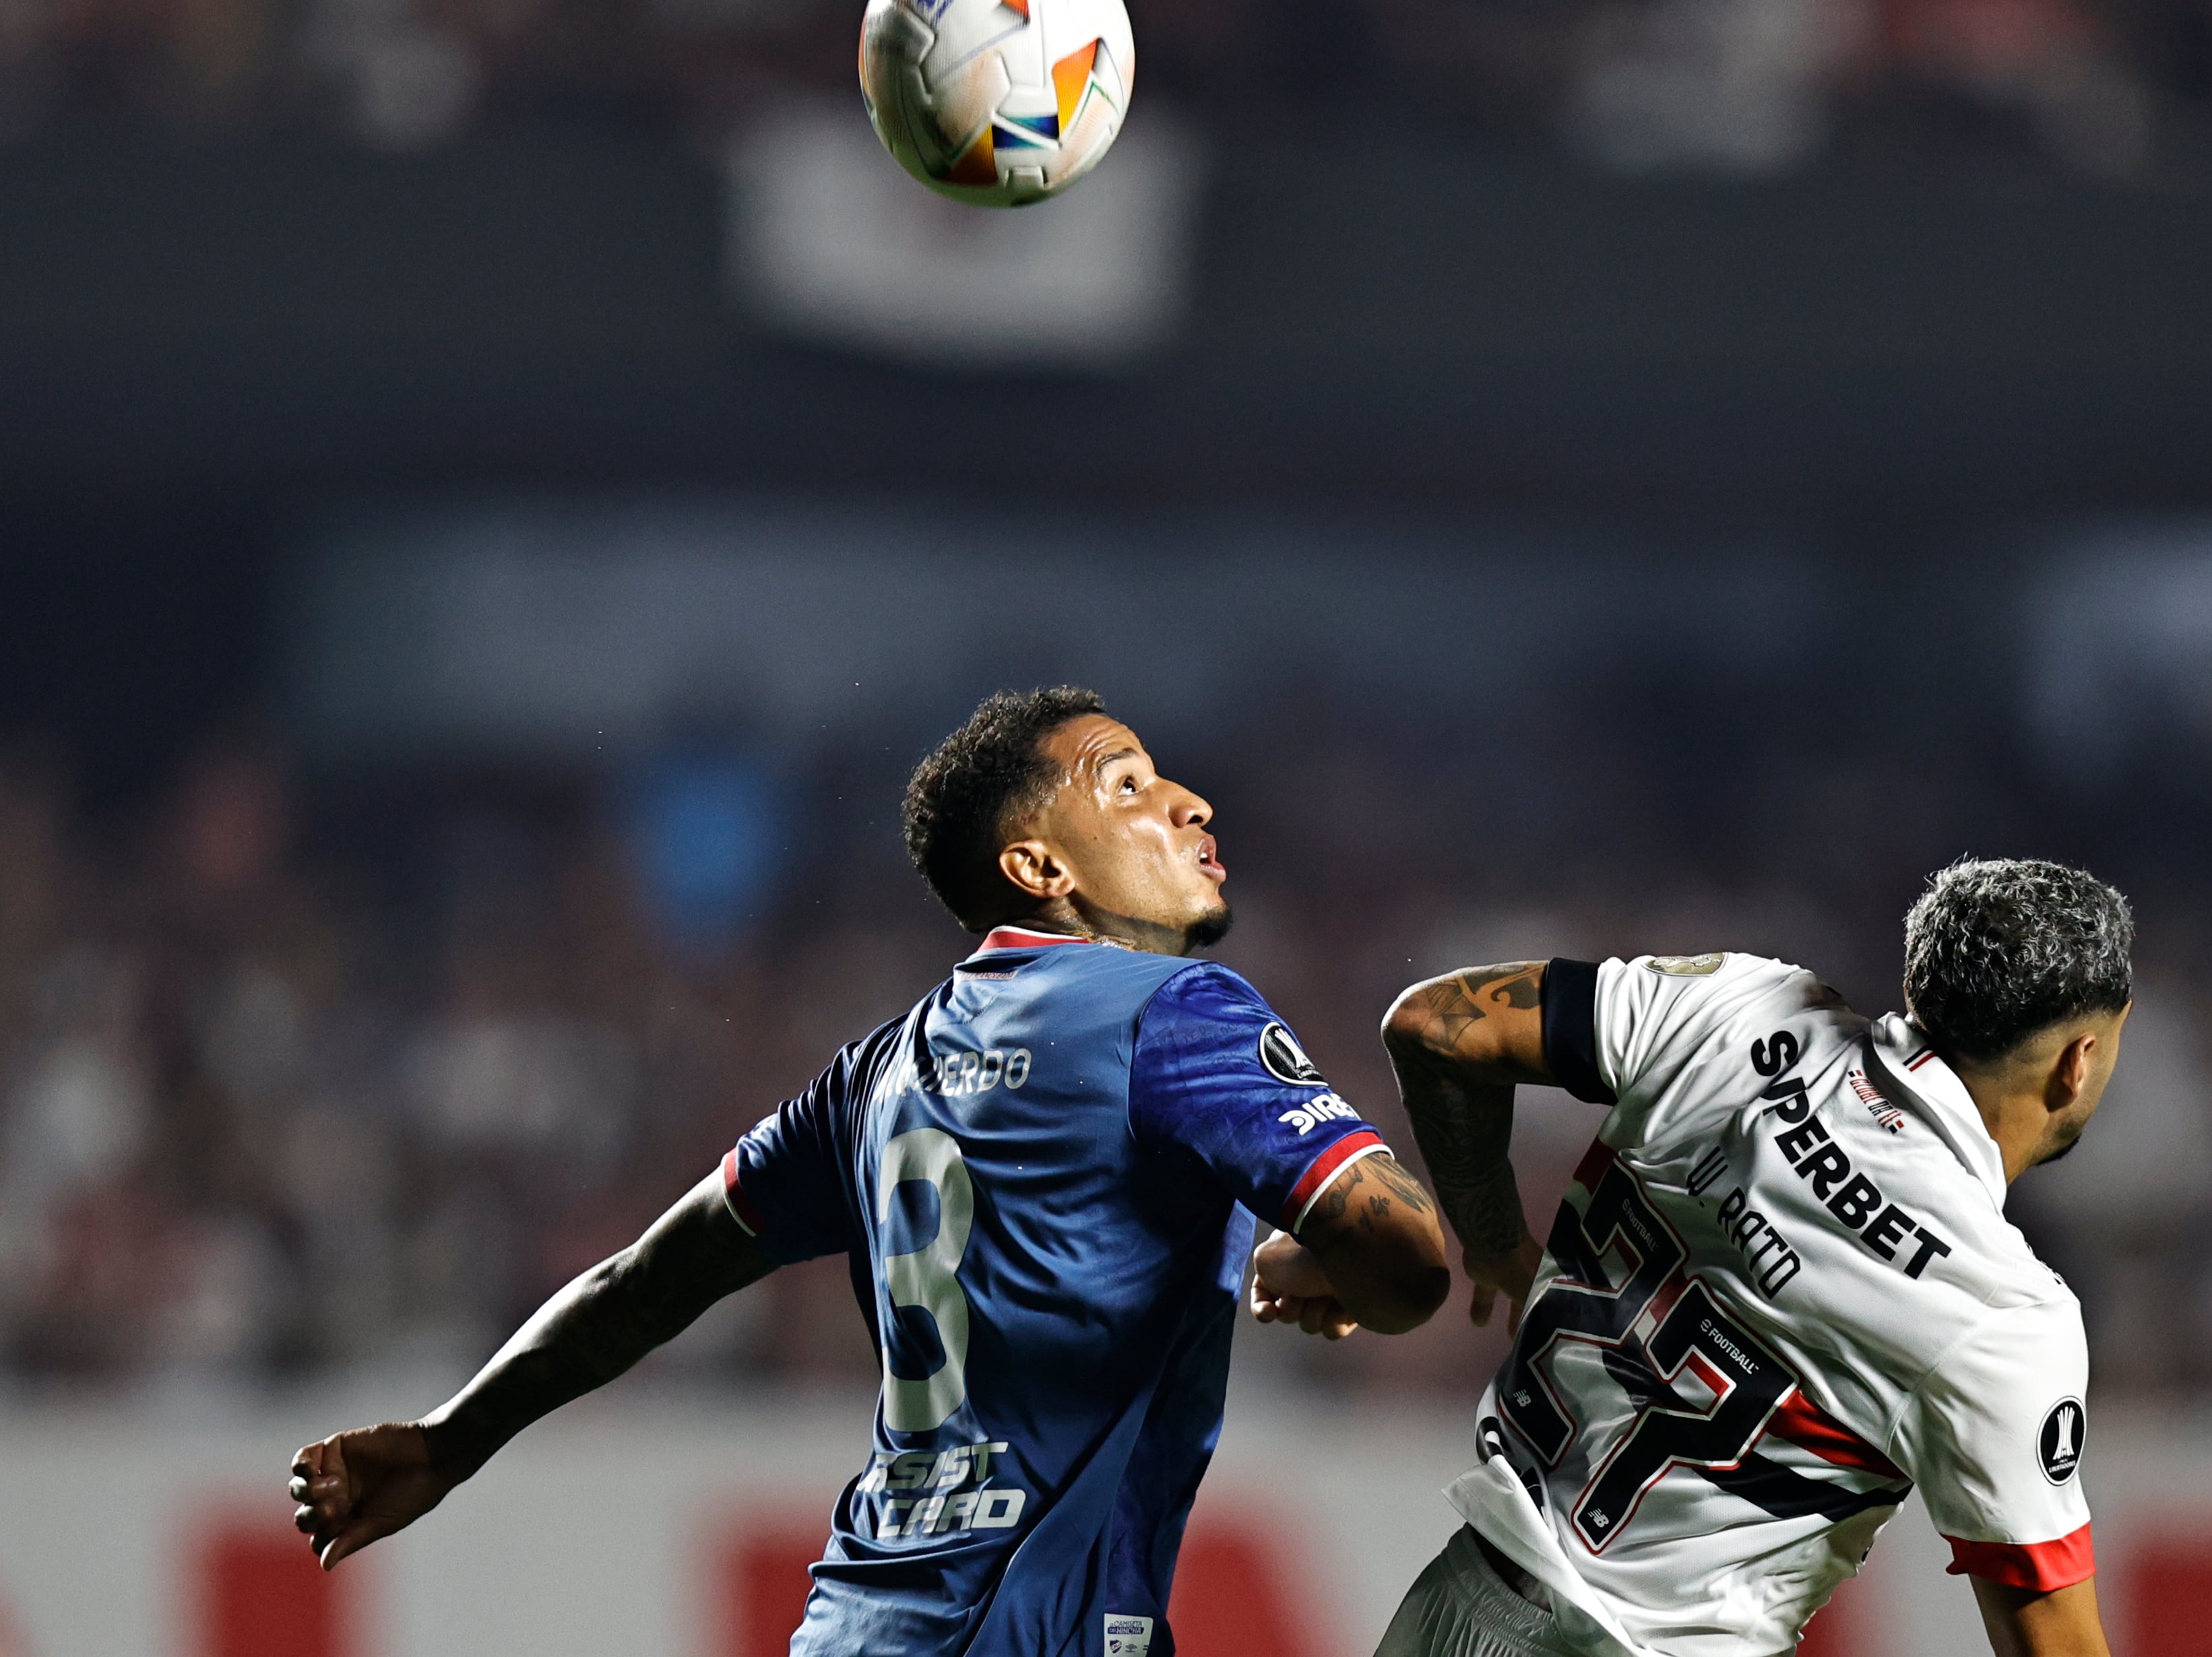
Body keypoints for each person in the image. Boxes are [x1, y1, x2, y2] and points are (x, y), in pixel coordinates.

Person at [289, 685, 1450, 1656]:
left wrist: (451, 1440)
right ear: (1036, 861)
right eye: (1127, 786)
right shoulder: (1177, 1014)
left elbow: (641, 1285)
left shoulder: (875, 1070)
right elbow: (1412, 1261)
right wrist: (1346, 1262)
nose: (1187, 802)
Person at [1356, 858, 2129, 1657]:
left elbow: (1435, 1022)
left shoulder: (1738, 1007)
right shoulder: (2001, 1313)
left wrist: (1492, 1240)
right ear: (2078, 1060)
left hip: (1458, 1610)